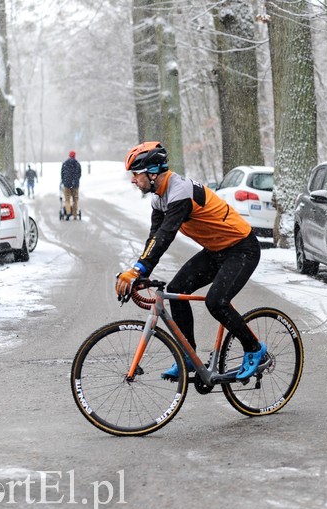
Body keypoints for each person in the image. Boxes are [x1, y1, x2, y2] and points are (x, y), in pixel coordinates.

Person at [114, 141, 267, 380]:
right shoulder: (159, 197)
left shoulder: (179, 192)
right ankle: (190, 357)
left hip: (242, 249)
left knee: (216, 302)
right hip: (216, 250)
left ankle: (255, 349)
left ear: (152, 173)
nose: (134, 180)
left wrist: (138, 269)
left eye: (136, 174)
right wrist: (140, 272)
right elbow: (154, 238)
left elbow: (166, 235)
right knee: (177, 289)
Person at [61, 150, 82, 220]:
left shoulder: (65, 163)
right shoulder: (77, 164)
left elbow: (62, 174)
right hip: (75, 185)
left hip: (67, 185)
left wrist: (64, 181)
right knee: (75, 200)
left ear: (69, 155)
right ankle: (75, 214)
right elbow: (79, 174)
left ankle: (68, 212)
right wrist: (75, 180)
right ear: (74, 156)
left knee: (67, 199)